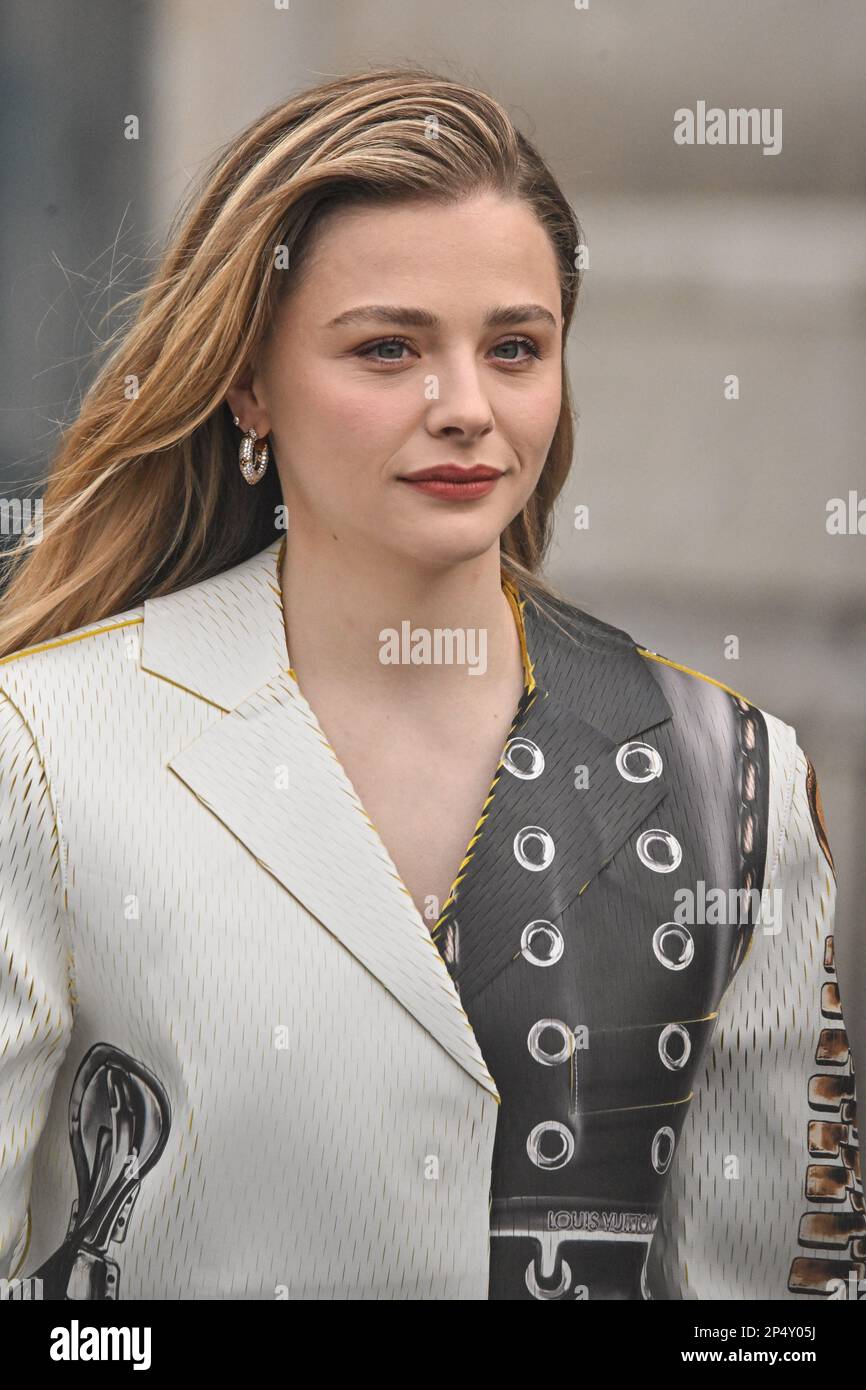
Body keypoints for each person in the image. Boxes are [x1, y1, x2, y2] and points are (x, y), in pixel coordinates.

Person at [0, 66, 860, 1302]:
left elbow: (774, 1305)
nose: (464, 408)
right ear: (248, 382)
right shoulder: (45, 747)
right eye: (388, 347)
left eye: (514, 347)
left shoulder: (727, 775)